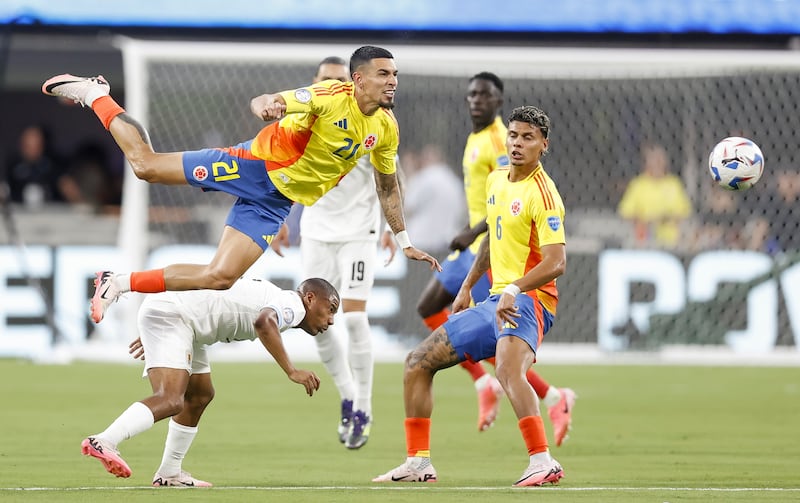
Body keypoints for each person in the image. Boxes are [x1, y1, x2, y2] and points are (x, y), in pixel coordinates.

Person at [41, 45, 440, 324]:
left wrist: (404, 240)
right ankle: (96, 93)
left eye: (395, 75)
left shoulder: (385, 128)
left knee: (221, 276)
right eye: (384, 74)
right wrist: (268, 106)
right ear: (359, 79)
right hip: (252, 166)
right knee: (146, 166)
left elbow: (387, 186)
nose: (393, 82)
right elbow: (267, 99)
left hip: (276, 202)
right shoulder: (328, 96)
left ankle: (118, 283)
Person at [373, 106, 566, 486]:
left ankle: (543, 462)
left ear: (544, 145)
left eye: (528, 138)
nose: (517, 143)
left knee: (509, 371)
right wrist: (464, 288)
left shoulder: (544, 194)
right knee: (417, 361)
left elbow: (556, 262)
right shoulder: (497, 181)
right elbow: (493, 241)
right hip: (495, 301)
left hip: (531, 301)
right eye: (513, 135)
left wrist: (514, 288)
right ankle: (418, 463)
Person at [415, 72, 576, 442]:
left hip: (498, 248)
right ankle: (538, 394)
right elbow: (499, 196)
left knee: (500, 345)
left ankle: (533, 403)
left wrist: (472, 232)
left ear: (498, 102)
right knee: (432, 311)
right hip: (477, 249)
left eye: (485, 96)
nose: (476, 101)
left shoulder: (497, 145)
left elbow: (514, 204)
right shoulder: (478, 140)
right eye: (471, 94)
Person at [80, 276, 339, 486]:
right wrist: (292, 371)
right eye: (330, 309)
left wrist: (156, 334)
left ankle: (169, 473)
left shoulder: (279, 298)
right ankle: (104, 440)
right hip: (176, 316)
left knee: (200, 395)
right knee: (171, 398)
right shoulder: (292, 304)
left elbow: (219, 299)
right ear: (310, 298)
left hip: (184, 322)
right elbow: (264, 322)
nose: (331, 320)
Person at [270, 56, 397, 450]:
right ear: (315, 83)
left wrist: (394, 227)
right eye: (326, 80)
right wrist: (278, 218)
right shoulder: (309, 114)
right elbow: (283, 162)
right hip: (318, 230)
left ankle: (364, 404)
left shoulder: (373, 120)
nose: (333, 86)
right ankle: (346, 394)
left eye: (340, 80)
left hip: (360, 230)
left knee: (356, 321)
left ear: (354, 82)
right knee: (314, 323)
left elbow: (389, 175)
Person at [617, 142, 692, 250]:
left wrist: (666, 218)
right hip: (644, 237)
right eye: (653, 160)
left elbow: (685, 213)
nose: (657, 164)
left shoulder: (674, 183)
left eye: (660, 160)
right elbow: (625, 213)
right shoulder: (638, 184)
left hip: (673, 239)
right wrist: (647, 220)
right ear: (646, 163)